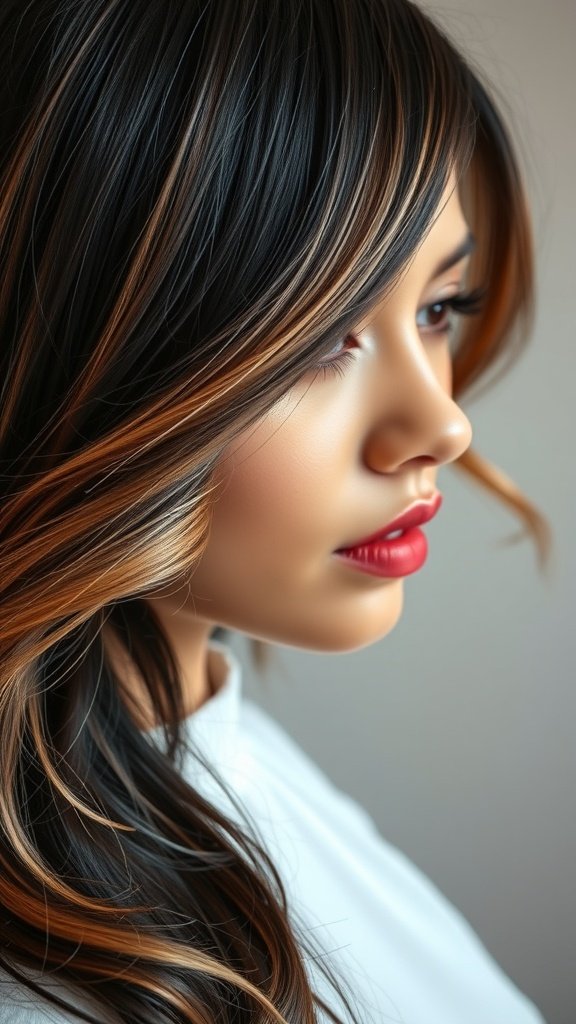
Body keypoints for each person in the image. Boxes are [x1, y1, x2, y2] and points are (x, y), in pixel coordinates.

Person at [0, 0, 552, 1022]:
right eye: (322, 337)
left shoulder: (212, 752)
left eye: (437, 308)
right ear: (70, 356)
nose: (441, 424)